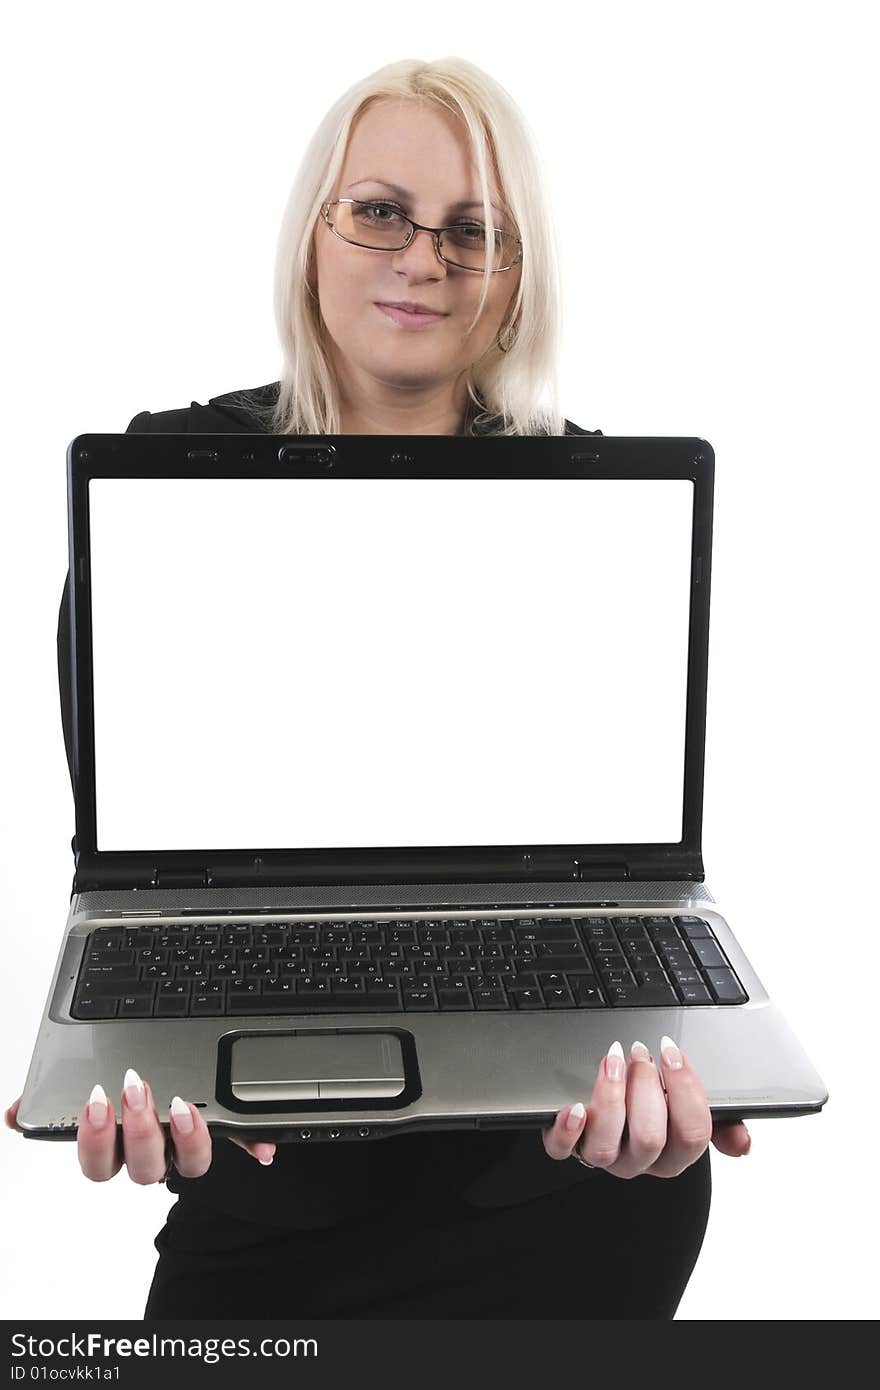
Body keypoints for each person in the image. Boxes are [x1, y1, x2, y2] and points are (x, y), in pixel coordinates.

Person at [5, 55, 750, 1320]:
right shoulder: (166, 473)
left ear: (517, 278)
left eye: (476, 230)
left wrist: (681, 1049)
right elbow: (139, 866)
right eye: (381, 211)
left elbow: (618, 864)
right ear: (316, 233)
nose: (424, 258)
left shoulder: (590, 499)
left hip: (573, 1184)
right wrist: (115, 1027)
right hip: (268, 1197)